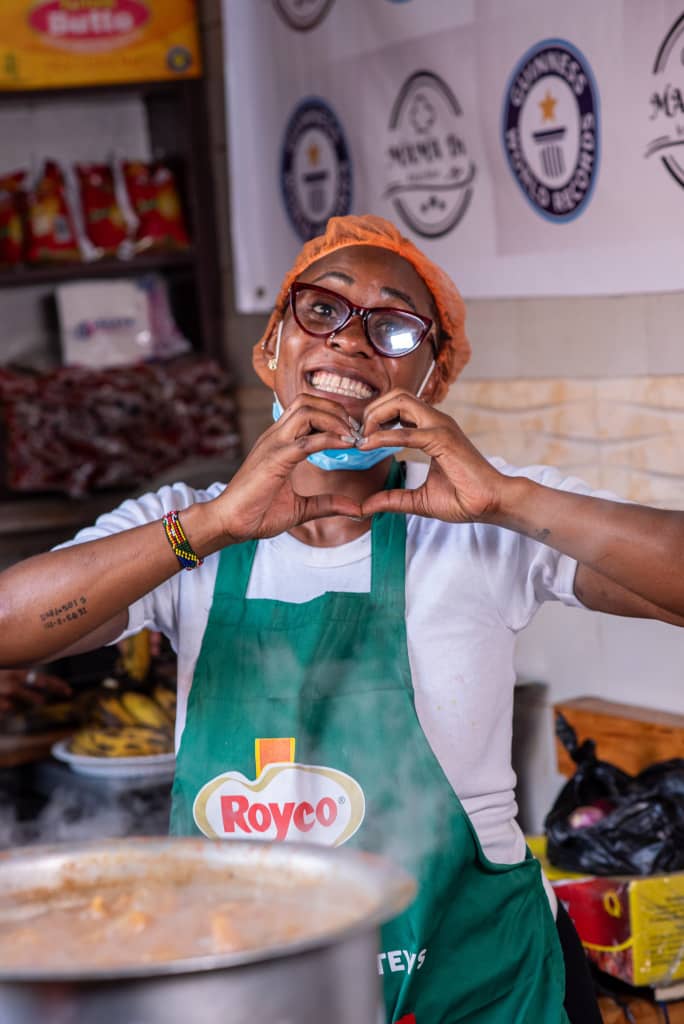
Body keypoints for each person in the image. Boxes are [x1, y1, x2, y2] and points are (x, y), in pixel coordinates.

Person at [1, 214, 683, 1023]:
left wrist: (509, 499)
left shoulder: (476, 523)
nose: (352, 340)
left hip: (476, 988)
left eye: (394, 326)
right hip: (258, 989)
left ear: (430, 381)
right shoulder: (184, 527)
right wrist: (216, 524)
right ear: (273, 346)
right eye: (322, 310)